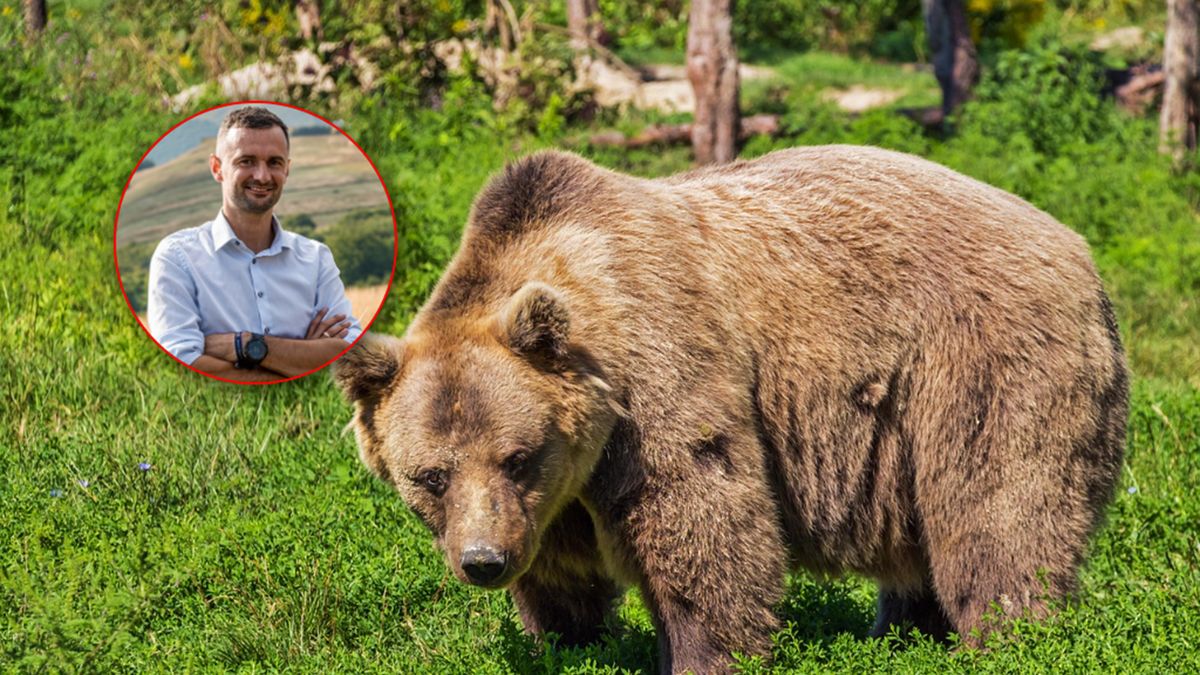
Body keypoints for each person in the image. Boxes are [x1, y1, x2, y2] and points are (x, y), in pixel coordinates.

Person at [147, 106, 362, 382]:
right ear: (217, 168)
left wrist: (243, 345)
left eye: (274, 162)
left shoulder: (316, 259)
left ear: (287, 168)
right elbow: (184, 366)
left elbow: (349, 354)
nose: (262, 176)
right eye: (246, 161)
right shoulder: (177, 258)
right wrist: (301, 360)